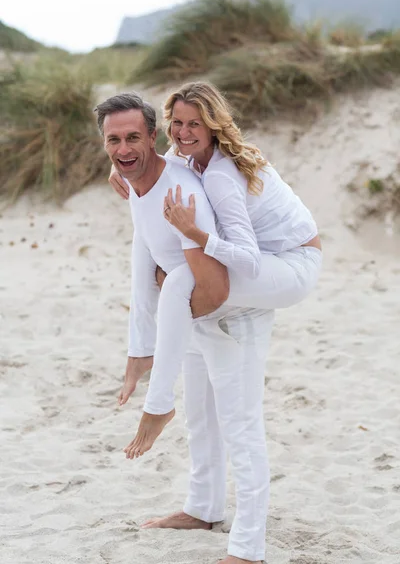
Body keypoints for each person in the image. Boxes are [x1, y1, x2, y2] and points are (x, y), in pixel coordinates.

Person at [96, 91, 273, 564]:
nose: (124, 148)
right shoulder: (138, 178)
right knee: (201, 417)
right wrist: (140, 347)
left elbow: (209, 283)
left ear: (152, 137)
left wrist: (174, 276)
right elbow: (142, 258)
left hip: (231, 312)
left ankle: (248, 548)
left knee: (240, 426)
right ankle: (202, 507)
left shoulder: (186, 187)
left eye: (133, 137)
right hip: (194, 315)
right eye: (114, 140)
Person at [109, 81, 322, 434]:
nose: (184, 132)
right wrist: (119, 167)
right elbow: (149, 161)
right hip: (267, 256)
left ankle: (159, 401)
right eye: (177, 123)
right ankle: (141, 350)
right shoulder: (186, 156)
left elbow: (250, 263)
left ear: (212, 125)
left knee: (177, 280)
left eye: (195, 124)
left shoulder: (221, 175)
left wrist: (197, 236)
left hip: (292, 263)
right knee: (149, 243)